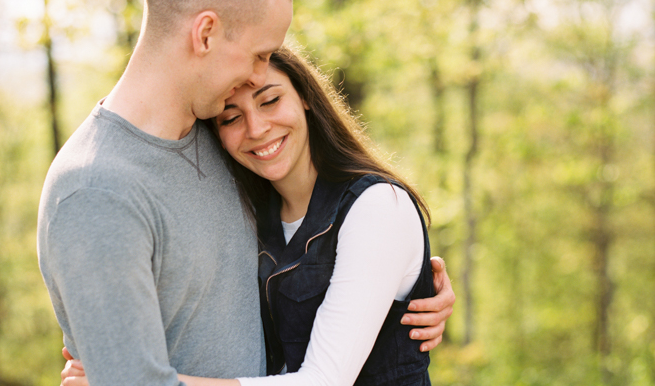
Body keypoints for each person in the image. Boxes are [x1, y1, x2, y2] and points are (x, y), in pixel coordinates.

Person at [39, 0, 454, 386]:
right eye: (259, 55)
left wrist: (403, 283)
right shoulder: (96, 190)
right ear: (206, 33)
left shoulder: (218, 141)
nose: (258, 77)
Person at [60, 44, 446, 386]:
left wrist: (129, 379)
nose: (257, 128)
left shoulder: (377, 207)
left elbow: (324, 381)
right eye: (231, 118)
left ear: (306, 98)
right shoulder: (250, 216)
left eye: (270, 100)